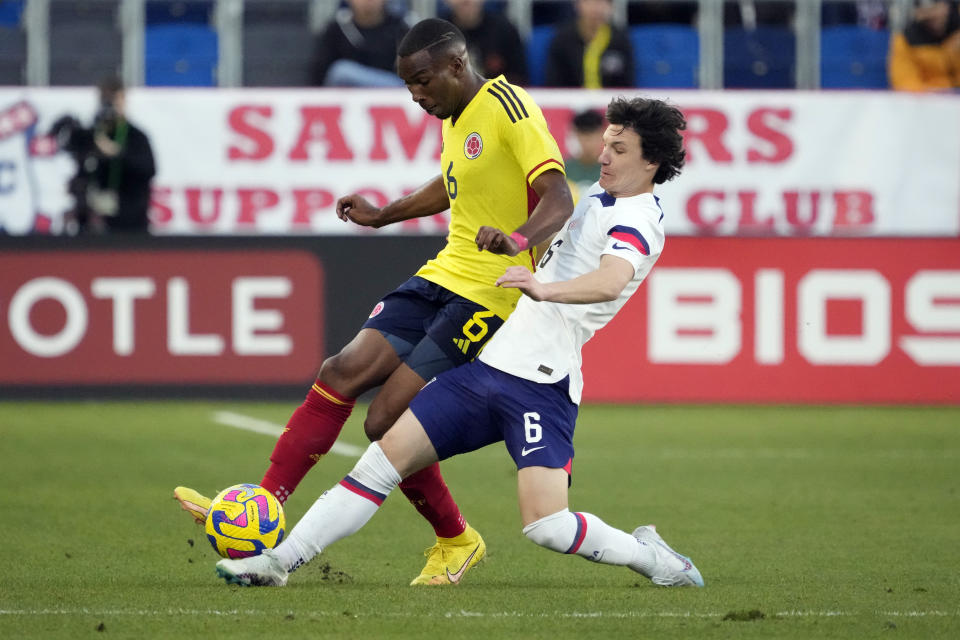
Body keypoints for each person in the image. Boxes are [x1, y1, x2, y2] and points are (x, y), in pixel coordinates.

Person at [213, 96, 703, 590]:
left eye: (618, 149)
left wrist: (542, 287)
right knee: (381, 460)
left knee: (546, 526)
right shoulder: (599, 197)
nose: (603, 156)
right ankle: (277, 563)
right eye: (604, 144)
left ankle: (652, 557)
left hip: (542, 384)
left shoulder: (638, 219)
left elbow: (611, 280)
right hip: (486, 371)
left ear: (651, 161)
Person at [175, 18, 574, 586]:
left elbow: (560, 195)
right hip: (444, 273)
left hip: (493, 294)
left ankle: (456, 539)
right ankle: (259, 508)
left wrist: (518, 239)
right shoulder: (456, 115)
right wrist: (385, 214)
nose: (415, 95)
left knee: (384, 417)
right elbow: (454, 181)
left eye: (422, 81)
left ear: (457, 65)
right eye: (408, 84)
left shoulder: (510, 106)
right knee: (340, 372)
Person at [52, 76, 156, 234]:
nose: (110, 105)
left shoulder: (136, 136)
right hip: (94, 220)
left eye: (115, 99)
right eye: (105, 99)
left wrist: (116, 152)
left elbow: (149, 169)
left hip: (130, 220)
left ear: (123, 100)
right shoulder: (92, 133)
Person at [312, 0, 414, 87]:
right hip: (346, 97)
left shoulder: (401, 27)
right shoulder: (336, 28)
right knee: (341, 71)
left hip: (393, 90)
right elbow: (320, 73)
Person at [545, 0, 634, 88]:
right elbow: (553, 84)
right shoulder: (562, 39)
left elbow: (628, 86)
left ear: (611, 6)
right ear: (577, 4)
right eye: (589, 2)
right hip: (569, 100)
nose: (595, 8)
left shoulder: (620, 40)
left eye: (601, 2)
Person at [444, 0, 528, 85]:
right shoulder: (438, 33)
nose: (466, 1)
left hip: (498, 95)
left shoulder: (505, 29)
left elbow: (518, 77)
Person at [889, 0, 960, 91]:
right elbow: (905, 84)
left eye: (935, 6)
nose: (931, 14)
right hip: (930, 99)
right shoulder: (906, 40)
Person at [564, 108, 605, 203]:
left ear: (602, 134)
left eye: (592, 134)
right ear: (576, 135)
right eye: (584, 134)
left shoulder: (614, 170)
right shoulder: (564, 170)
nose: (588, 141)